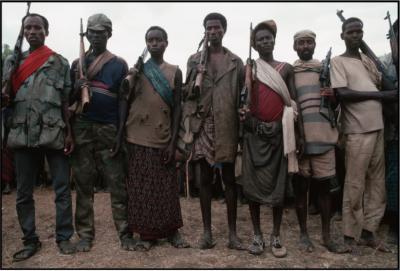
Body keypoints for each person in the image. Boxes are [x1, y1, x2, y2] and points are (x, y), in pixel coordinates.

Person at [2, 13, 75, 261]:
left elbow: (66, 101)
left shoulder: (60, 62)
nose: (32, 31)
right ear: (23, 33)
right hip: (22, 133)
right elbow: (6, 98)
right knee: (23, 193)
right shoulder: (12, 62)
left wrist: (69, 132)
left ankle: (64, 238)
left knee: (62, 189)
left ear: (46, 31)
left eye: (37, 27)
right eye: (28, 28)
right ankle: (30, 240)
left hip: (54, 132)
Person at [117, 26, 189, 251]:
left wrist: (173, 141)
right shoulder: (136, 71)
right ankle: (147, 235)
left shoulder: (175, 71)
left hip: (163, 137)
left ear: (166, 43)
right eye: (150, 40)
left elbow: (178, 107)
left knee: (166, 188)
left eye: (159, 40)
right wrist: (120, 134)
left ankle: (172, 231)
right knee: (141, 188)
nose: (154, 44)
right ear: (146, 44)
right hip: (136, 136)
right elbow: (123, 101)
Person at [330, 17, 398, 253]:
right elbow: (344, 94)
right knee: (355, 185)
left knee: (377, 186)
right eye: (351, 32)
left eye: (359, 31)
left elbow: (385, 85)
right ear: (343, 36)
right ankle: (350, 236)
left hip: (378, 128)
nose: (356, 35)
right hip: (357, 131)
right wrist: (380, 97)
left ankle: (369, 232)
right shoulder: (338, 62)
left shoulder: (369, 61)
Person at [69, 13, 135, 252]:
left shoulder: (119, 63)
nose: (95, 36)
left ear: (109, 34)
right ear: (86, 34)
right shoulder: (77, 64)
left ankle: (125, 233)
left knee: (117, 184)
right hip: (83, 127)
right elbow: (68, 101)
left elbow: (122, 101)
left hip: (109, 128)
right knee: (84, 184)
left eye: (100, 32)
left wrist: (119, 134)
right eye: (92, 32)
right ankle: (85, 235)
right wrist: (77, 89)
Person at [238, 20, 302, 258]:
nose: (265, 41)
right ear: (253, 44)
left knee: (278, 190)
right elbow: (242, 102)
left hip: (279, 135)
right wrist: (247, 118)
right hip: (254, 135)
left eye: (268, 38)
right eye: (260, 39)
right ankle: (257, 235)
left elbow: (293, 103)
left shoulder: (286, 68)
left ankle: (276, 236)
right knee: (252, 189)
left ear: (274, 40)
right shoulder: (249, 68)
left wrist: (295, 132)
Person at [182, 12, 245, 250]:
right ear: (204, 31)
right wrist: (194, 74)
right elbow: (187, 93)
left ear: (224, 30)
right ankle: (207, 233)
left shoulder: (235, 62)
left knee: (229, 180)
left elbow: (241, 95)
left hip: (227, 124)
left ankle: (232, 235)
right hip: (202, 124)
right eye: (208, 28)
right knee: (204, 180)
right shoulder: (194, 59)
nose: (213, 32)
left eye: (217, 27)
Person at [292, 30, 345, 253]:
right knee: (301, 190)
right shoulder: (291, 71)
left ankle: (326, 236)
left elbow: (336, 104)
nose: (305, 46)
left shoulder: (325, 69)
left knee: (324, 190)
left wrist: (332, 96)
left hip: (324, 137)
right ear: (295, 47)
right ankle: (304, 235)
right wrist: (297, 137)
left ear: (315, 45)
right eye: (301, 43)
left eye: (309, 42)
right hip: (300, 142)